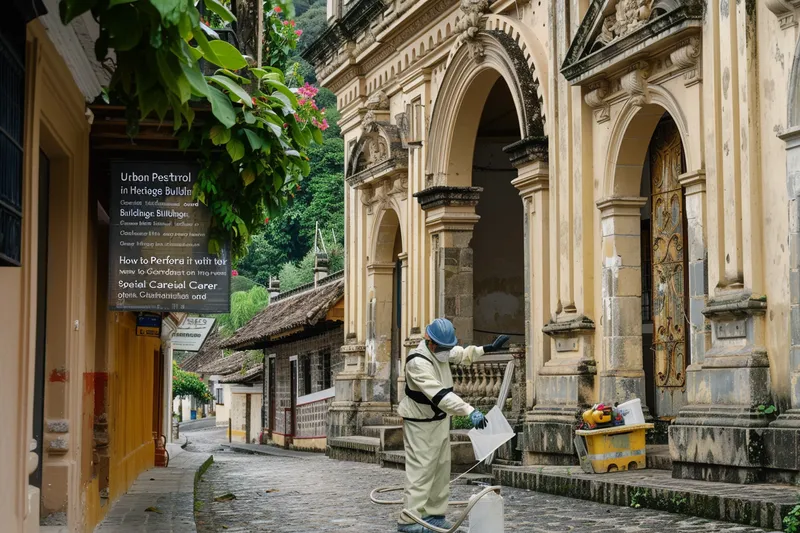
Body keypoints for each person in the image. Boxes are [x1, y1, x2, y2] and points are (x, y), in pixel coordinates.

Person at [396, 318, 510, 533]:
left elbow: (462, 354)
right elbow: (440, 395)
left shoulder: (442, 350)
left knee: (440, 467)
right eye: (444, 348)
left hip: (439, 420)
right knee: (421, 469)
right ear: (431, 343)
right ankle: (409, 520)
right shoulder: (417, 362)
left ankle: (433, 515)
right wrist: (470, 411)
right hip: (420, 422)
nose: (447, 352)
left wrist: (488, 348)